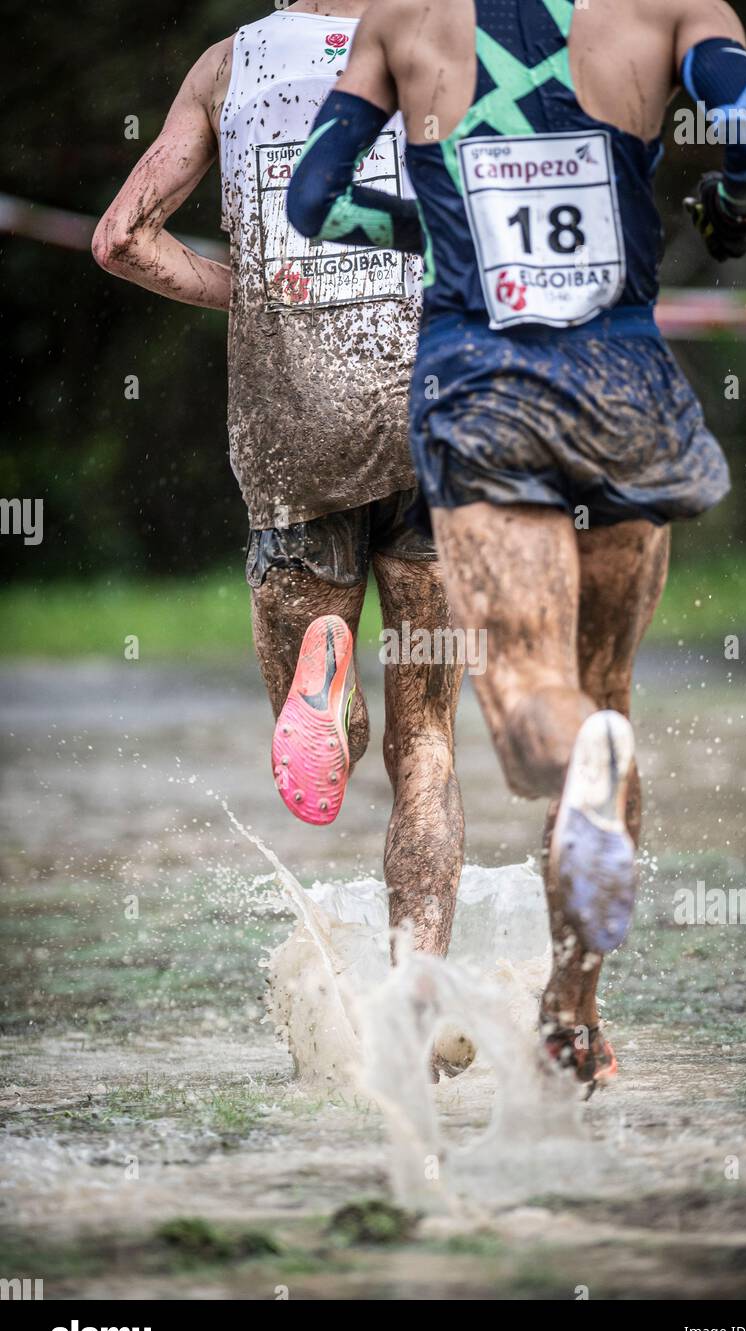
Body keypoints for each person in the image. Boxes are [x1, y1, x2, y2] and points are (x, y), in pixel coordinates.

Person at [285, 0, 746, 1088]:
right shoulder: (677, 11)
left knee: (526, 710)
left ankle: (572, 753)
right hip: (625, 387)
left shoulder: (402, 21)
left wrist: (437, 212)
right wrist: (723, 206)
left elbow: (311, 198)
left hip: (481, 390)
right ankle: (572, 1006)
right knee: (604, 689)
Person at [92, 2, 466, 993]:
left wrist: (250, 287)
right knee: (424, 750)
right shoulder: (451, 45)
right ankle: (412, 992)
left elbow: (121, 239)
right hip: (433, 430)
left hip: (292, 446)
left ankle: (328, 679)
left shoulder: (225, 65)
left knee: (327, 752)